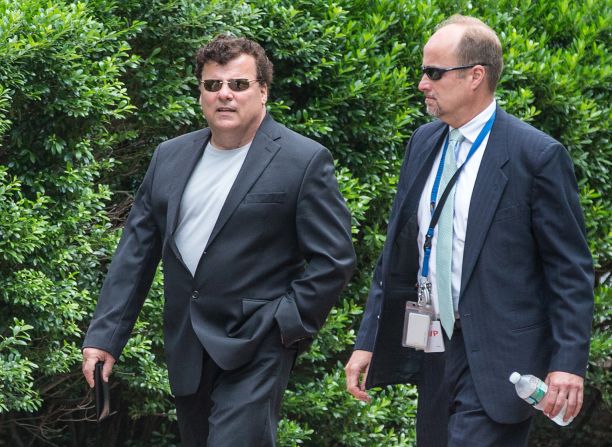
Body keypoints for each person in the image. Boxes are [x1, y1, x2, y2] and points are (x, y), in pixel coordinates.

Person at [82, 35, 356, 446]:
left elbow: (333, 258)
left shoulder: (303, 160)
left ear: (263, 90)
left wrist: (286, 324)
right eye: (213, 85)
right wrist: (105, 336)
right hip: (188, 346)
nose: (225, 95)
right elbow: (136, 254)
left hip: (257, 345)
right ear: (201, 94)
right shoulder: (169, 157)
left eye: (239, 85)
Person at [344, 15, 593, 447]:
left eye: (434, 73)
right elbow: (397, 254)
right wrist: (368, 339)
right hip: (433, 350)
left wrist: (568, 362)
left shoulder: (536, 156)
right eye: (424, 71)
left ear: (476, 75)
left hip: (502, 360)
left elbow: (570, 270)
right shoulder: (423, 143)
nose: (423, 83)